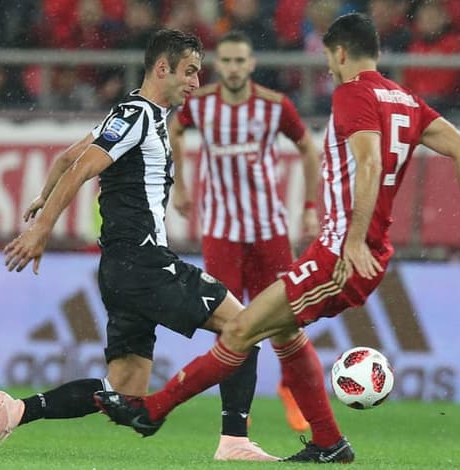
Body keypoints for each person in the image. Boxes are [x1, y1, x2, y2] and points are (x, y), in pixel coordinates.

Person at [95, 13, 460, 463]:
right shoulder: (404, 99)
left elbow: (369, 164)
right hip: (338, 247)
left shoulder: (352, 94)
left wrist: (355, 240)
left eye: (328, 58)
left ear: (340, 53)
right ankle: (329, 442)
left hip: (342, 252)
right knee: (281, 335)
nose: (327, 68)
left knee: (241, 328)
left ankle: (153, 410)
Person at [0, 29, 277, 461]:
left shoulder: (129, 113)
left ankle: (16, 410)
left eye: (198, 73)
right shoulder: (139, 116)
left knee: (124, 392)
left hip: (119, 269)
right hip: (144, 262)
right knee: (245, 326)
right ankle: (234, 441)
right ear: (162, 68)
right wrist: (41, 230)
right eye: (189, 72)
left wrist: (42, 196)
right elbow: (80, 170)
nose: (194, 82)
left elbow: (64, 160)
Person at [170, 30, 320, 433]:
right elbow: (174, 128)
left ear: (251, 64)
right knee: (228, 325)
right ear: (218, 65)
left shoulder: (274, 106)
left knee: (287, 322)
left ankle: (292, 390)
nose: (234, 68)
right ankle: (239, 411)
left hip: (269, 230)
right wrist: (180, 185)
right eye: (228, 61)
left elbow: (309, 148)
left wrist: (309, 208)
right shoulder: (200, 104)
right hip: (221, 231)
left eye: (241, 61)